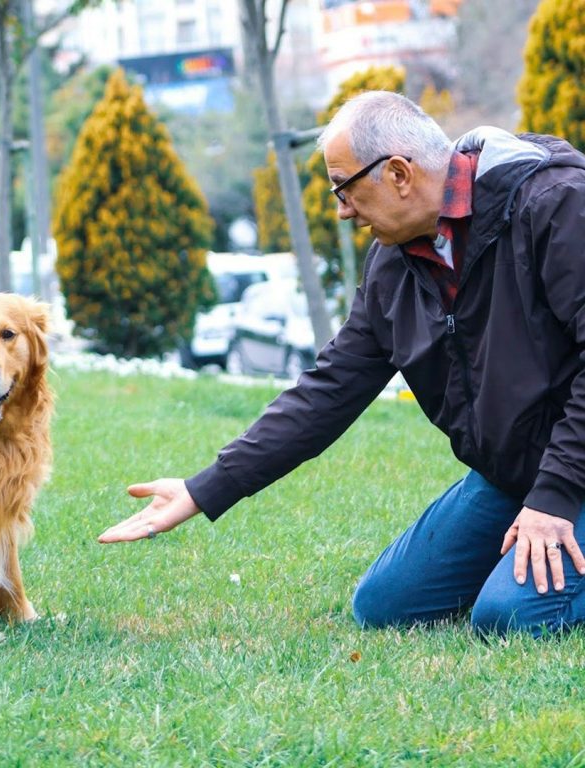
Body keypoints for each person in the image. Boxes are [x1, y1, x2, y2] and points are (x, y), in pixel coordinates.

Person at [99, 91, 585, 638]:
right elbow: (328, 389)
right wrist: (204, 488)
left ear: (399, 173)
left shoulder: (557, 204)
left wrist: (554, 498)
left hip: (570, 471)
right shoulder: (393, 263)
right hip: (515, 473)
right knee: (384, 605)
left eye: (345, 187)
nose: (341, 209)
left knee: (510, 618)